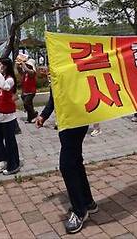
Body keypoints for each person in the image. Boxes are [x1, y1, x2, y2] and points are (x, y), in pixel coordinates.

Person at [36, 90, 97, 234]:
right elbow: (55, 95)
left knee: (67, 165)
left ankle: (80, 211)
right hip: (65, 121)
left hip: (76, 118)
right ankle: (88, 202)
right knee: (75, 162)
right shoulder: (57, 69)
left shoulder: (68, 67)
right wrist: (44, 115)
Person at [17, 58, 39, 123]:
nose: (27, 65)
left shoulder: (32, 72)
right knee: (29, 105)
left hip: (31, 92)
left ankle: (34, 114)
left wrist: (23, 65)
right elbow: (20, 71)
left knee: (26, 104)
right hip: (25, 91)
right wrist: (18, 66)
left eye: (29, 65)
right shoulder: (25, 73)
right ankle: (29, 119)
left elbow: (27, 70)